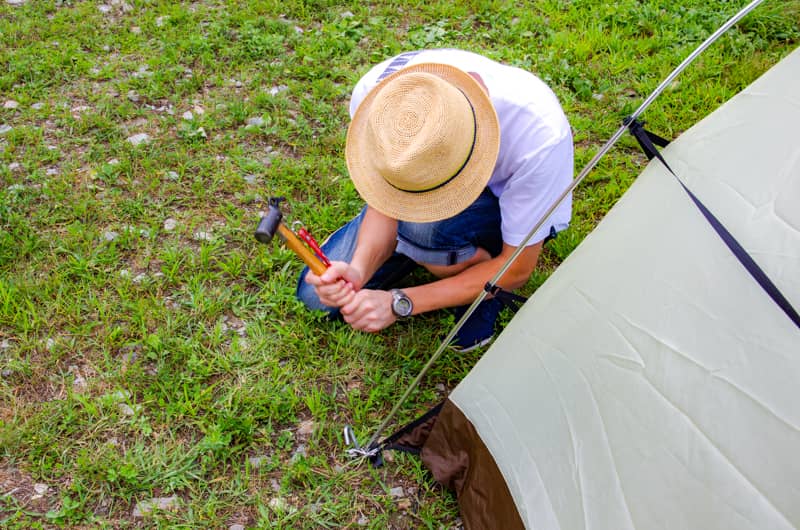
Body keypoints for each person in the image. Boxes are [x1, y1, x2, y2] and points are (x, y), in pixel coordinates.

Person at [296, 48, 574, 352]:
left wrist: (401, 302)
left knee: (423, 229)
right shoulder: (380, 97)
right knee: (315, 299)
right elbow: (388, 199)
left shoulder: (539, 138)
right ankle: (432, 255)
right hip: (415, 190)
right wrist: (358, 270)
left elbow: (518, 268)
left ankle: (473, 281)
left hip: (502, 206)